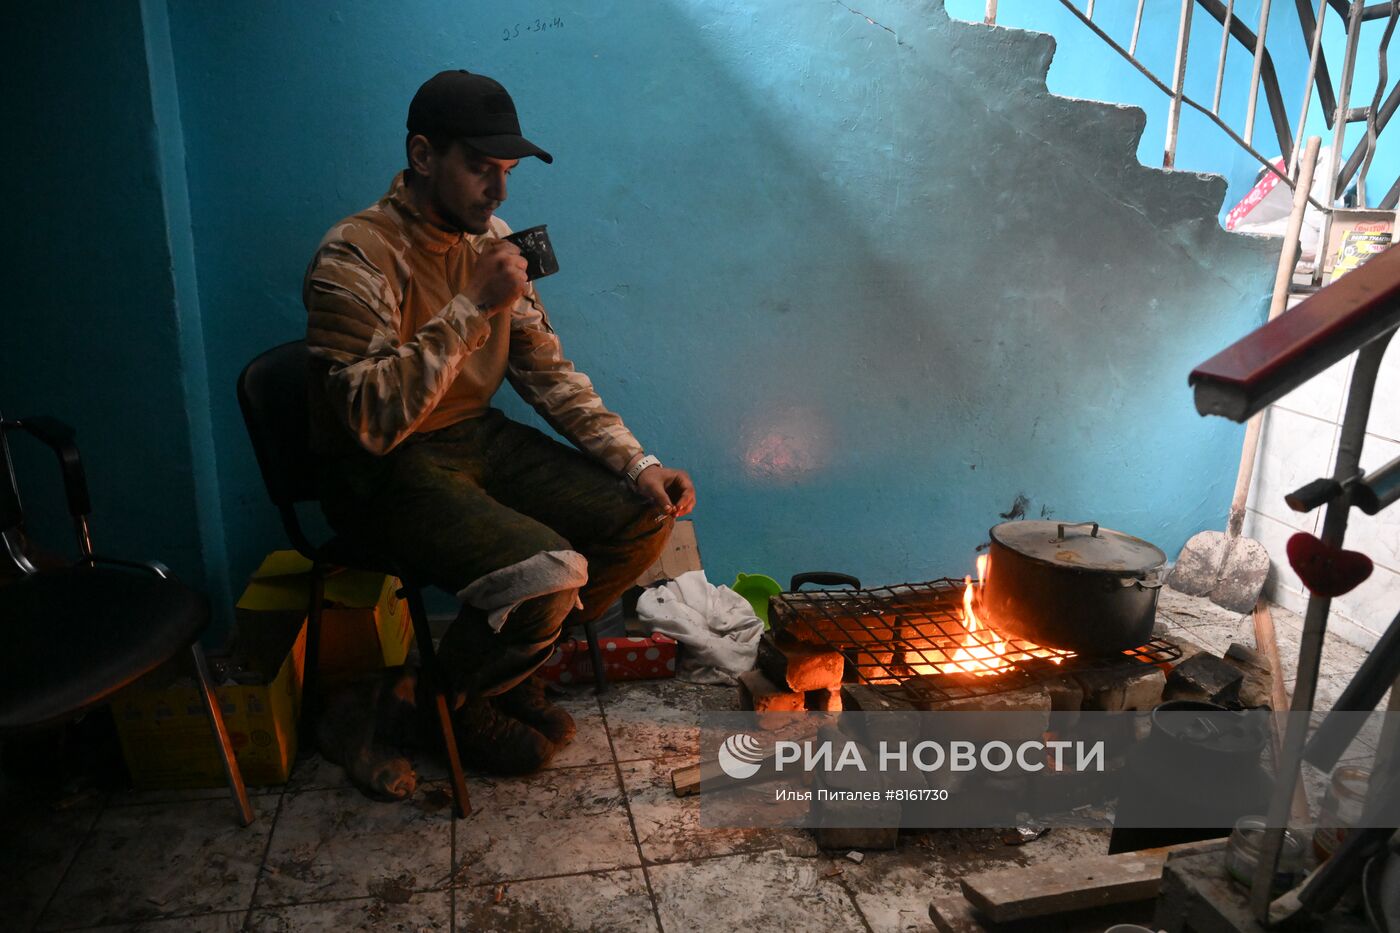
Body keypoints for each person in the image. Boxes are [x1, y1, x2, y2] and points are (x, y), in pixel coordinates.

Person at [302, 69, 696, 777]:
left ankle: (477, 687)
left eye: (508, 171)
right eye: (481, 169)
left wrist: (640, 465)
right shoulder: (354, 257)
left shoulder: (495, 240)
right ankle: (444, 703)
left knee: (641, 516)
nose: (500, 191)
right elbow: (371, 422)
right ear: (424, 156)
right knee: (546, 572)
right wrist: (472, 305)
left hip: (475, 441)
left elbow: (547, 373)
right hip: (383, 470)